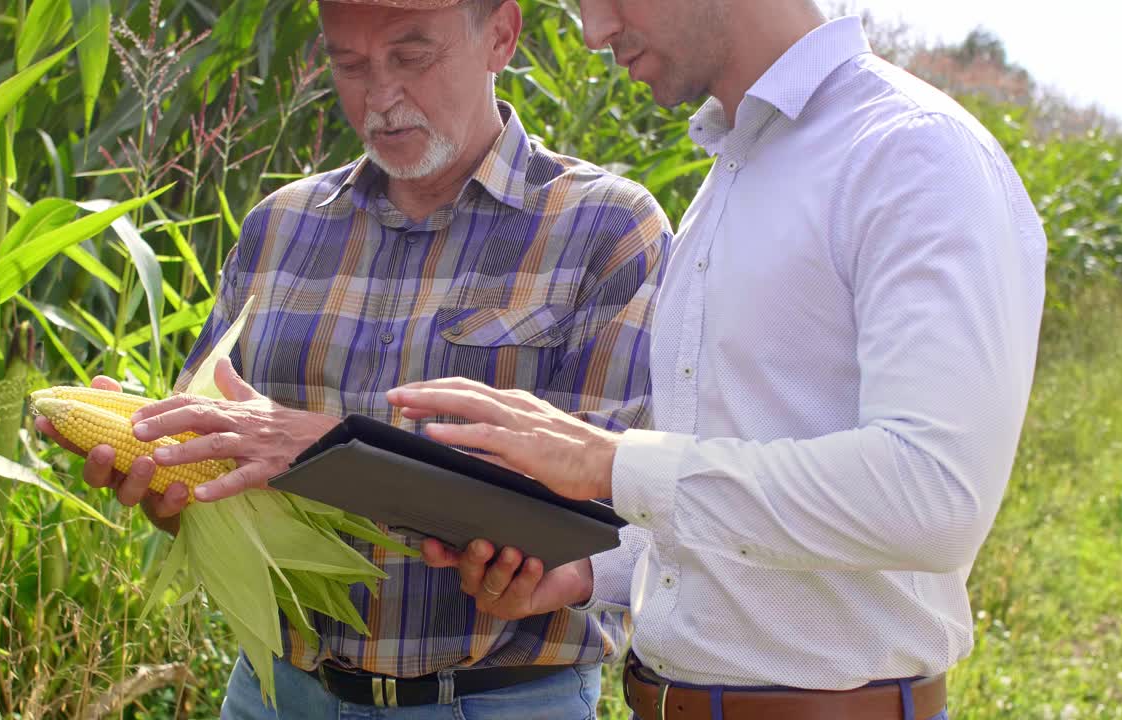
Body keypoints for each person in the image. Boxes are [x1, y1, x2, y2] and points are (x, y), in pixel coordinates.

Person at [384, 2, 1048, 719]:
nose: (593, 32)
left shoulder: (912, 152)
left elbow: (933, 496)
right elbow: (735, 501)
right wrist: (589, 570)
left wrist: (609, 464)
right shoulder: (737, 170)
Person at [40, 0, 672, 717]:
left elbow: (609, 511)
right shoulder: (280, 227)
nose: (380, 98)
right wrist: (171, 480)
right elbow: (228, 469)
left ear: (500, 34)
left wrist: (333, 453)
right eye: (349, 65)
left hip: (493, 701)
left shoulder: (607, 230)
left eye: (411, 57)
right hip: (277, 693)